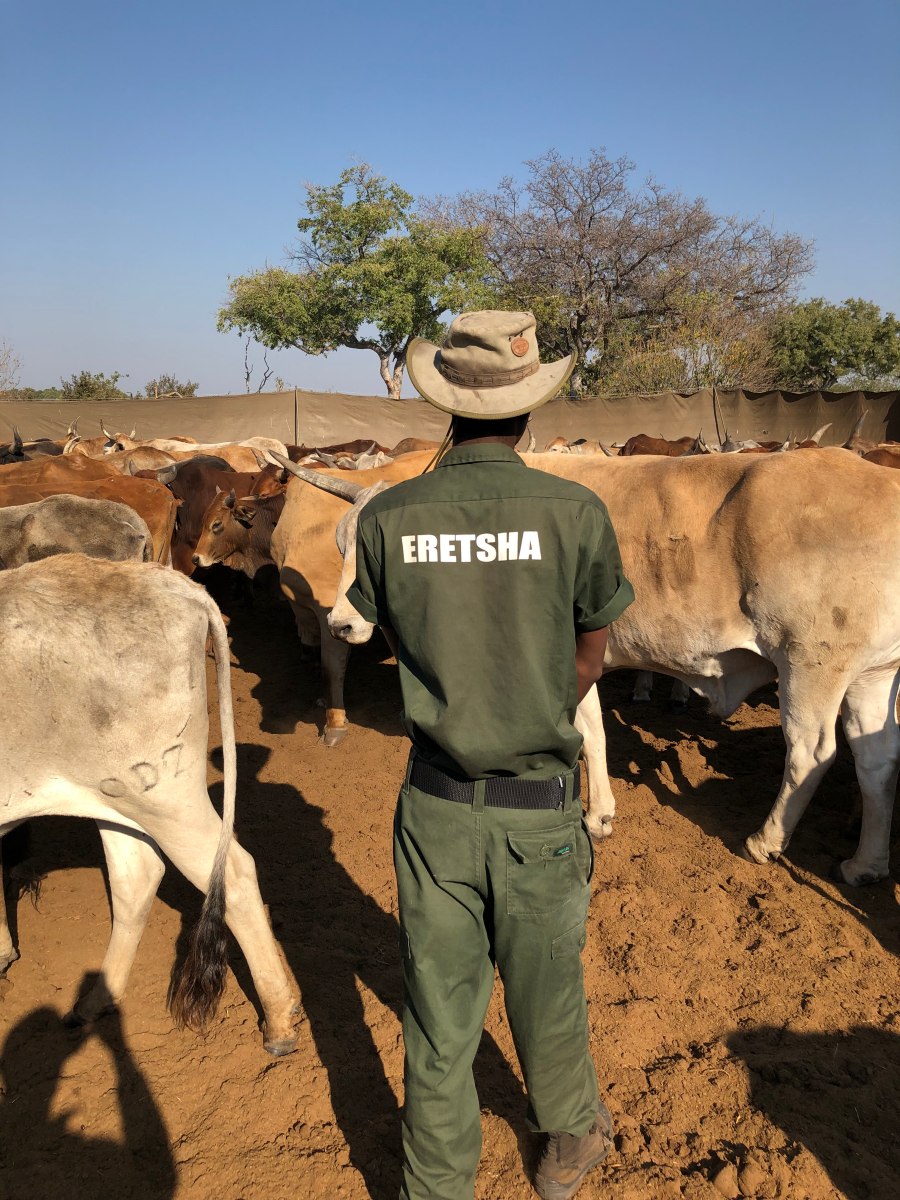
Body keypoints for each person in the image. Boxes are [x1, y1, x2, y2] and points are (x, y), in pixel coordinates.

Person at [346, 310, 634, 1200]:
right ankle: (566, 1147)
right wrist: (536, 705)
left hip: (432, 806)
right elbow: (593, 651)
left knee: (437, 1014)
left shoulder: (388, 516)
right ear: (528, 408)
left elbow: (391, 634)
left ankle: (435, 1187)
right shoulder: (575, 512)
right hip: (539, 808)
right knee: (547, 991)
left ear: (447, 408)